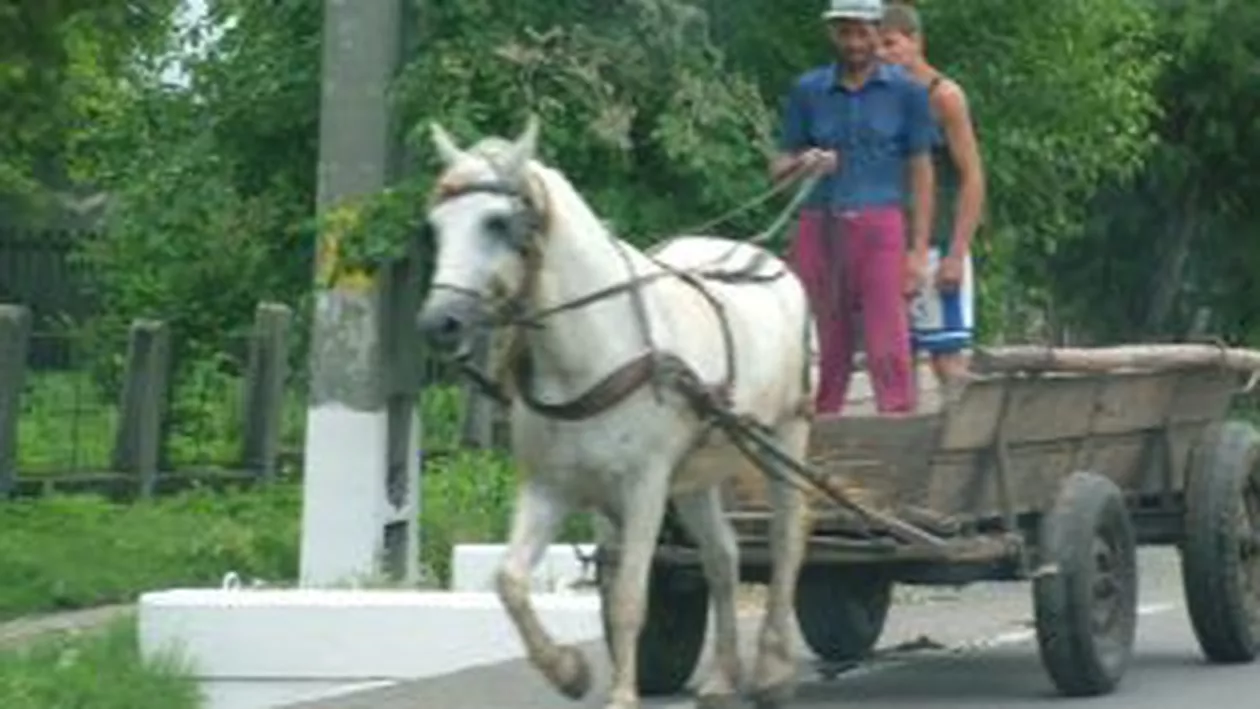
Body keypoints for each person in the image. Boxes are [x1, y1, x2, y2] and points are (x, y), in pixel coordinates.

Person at [771, 0, 936, 416]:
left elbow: (921, 172)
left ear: (878, 31)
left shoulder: (907, 93)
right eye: (846, 32)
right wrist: (804, 162)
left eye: (863, 32)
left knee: (887, 340)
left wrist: (918, 250)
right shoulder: (809, 90)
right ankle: (817, 427)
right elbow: (779, 167)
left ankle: (896, 427)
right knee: (821, 339)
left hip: (880, 226)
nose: (855, 43)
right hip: (820, 225)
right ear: (833, 33)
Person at [879, 1, 986, 395]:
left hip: (939, 243)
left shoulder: (944, 96)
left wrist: (956, 254)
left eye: (890, 44)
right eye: (877, 46)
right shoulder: (880, 99)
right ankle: (903, 430)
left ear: (915, 41)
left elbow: (973, 177)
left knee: (946, 359)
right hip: (893, 242)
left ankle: (965, 429)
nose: (882, 54)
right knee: (894, 357)